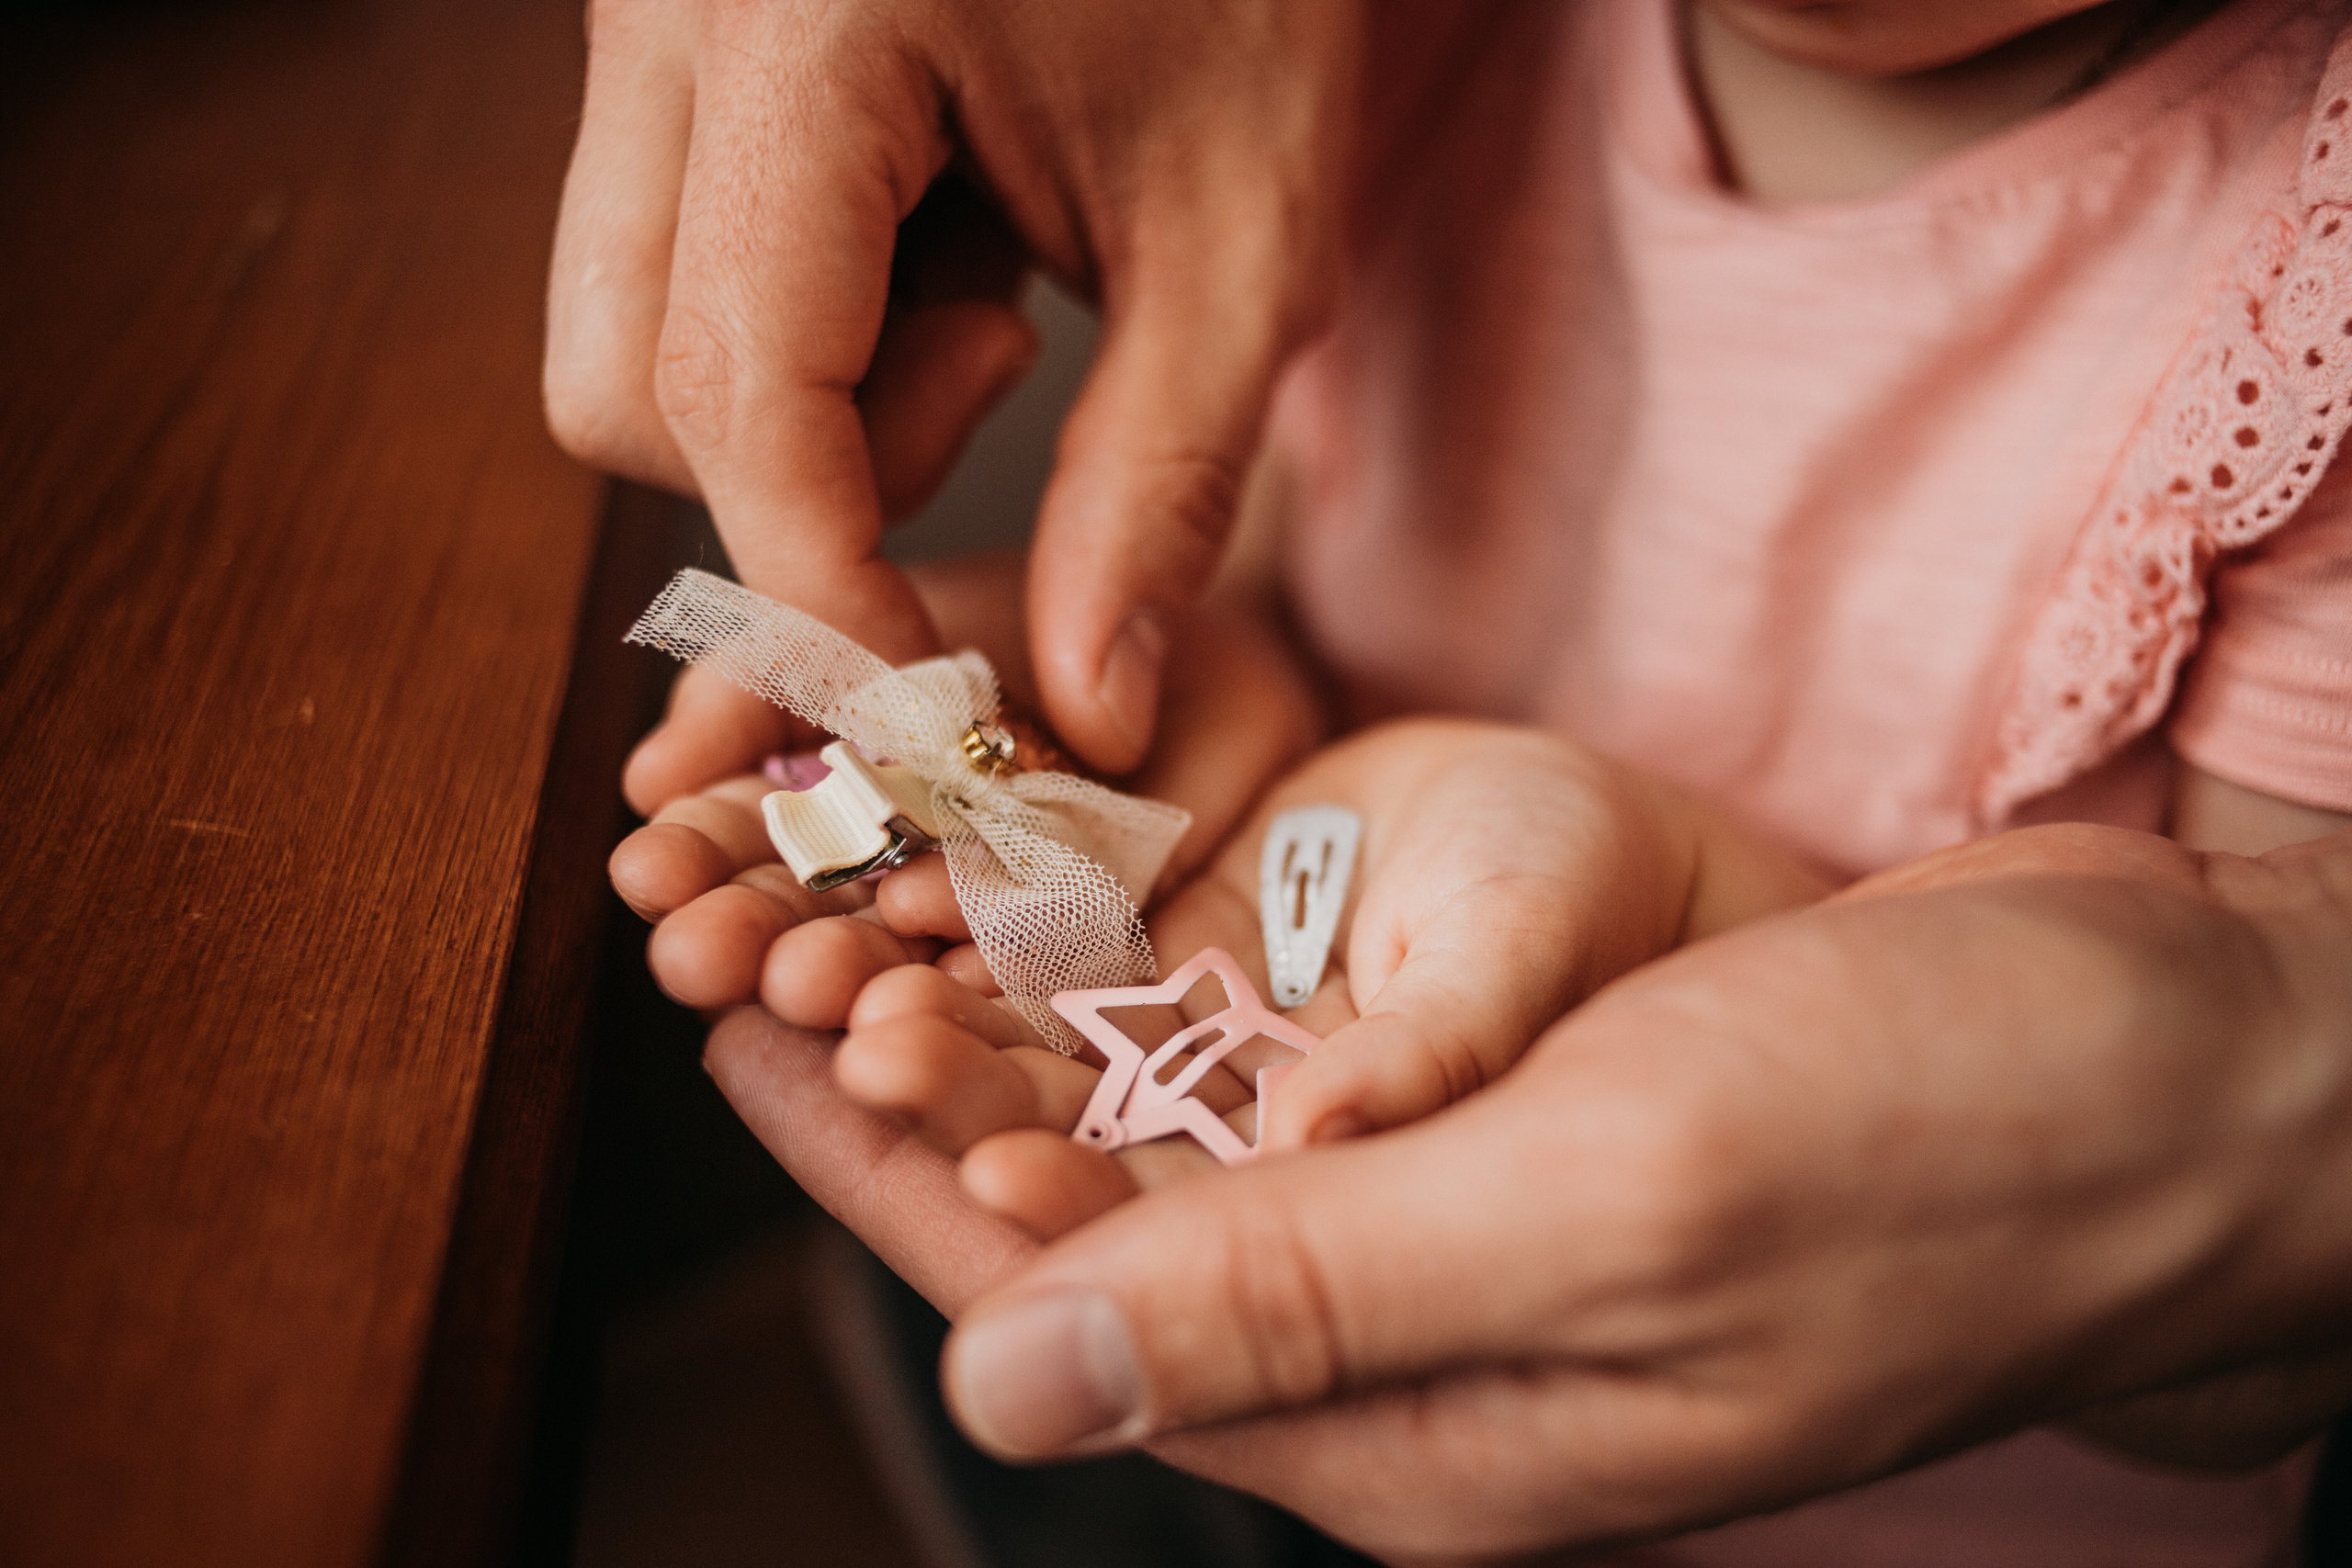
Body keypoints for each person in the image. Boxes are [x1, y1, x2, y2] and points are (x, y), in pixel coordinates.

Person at [547, 0, 2352, 1560]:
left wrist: (1677, 892)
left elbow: (2243, 1349)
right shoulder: (1405, 37)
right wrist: (1177, 662)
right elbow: (1277, 553)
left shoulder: (2301, 285)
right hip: (1207, 1310)